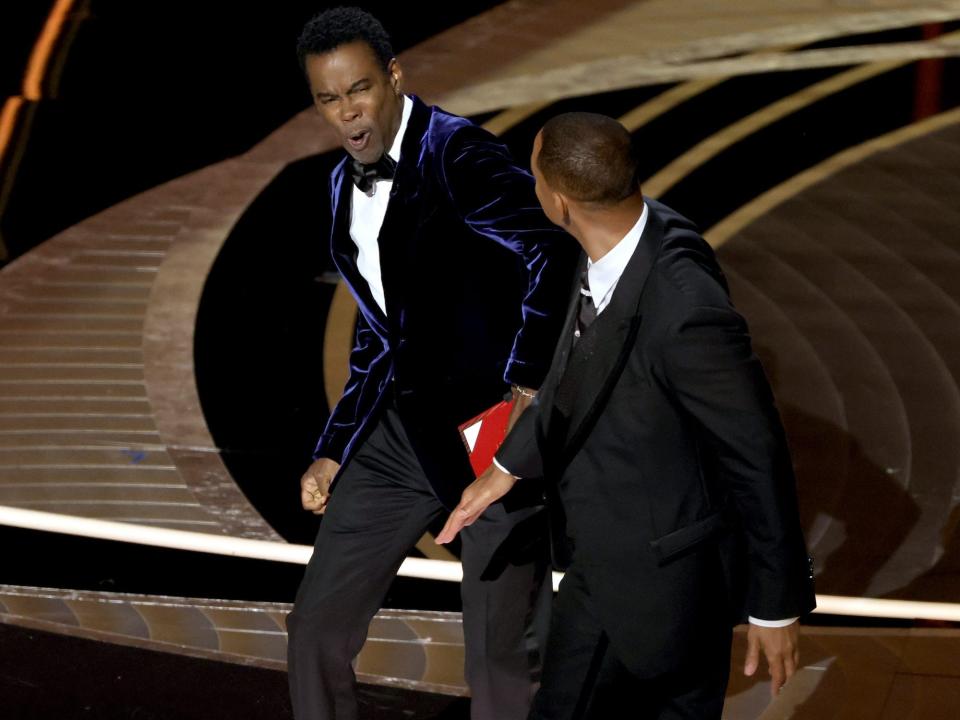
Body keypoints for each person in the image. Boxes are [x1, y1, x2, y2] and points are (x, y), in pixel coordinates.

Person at [437, 112, 816, 719]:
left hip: (658, 583)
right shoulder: (633, 233)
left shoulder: (686, 310)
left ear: (558, 202)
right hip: (619, 565)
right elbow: (575, 370)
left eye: (532, 174)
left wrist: (775, 605)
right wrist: (507, 465)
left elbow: (756, 451)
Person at [285, 8, 578, 720]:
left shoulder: (459, 154)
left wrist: (528, 382)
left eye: (358, 89)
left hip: (488, 438)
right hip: (398, 434)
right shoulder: (339, 184)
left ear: (393, 75)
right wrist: (334, 448)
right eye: (328, 98)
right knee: (315, 630)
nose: (346, 112)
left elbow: (556, 248)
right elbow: (381, 329)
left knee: (499, 660)